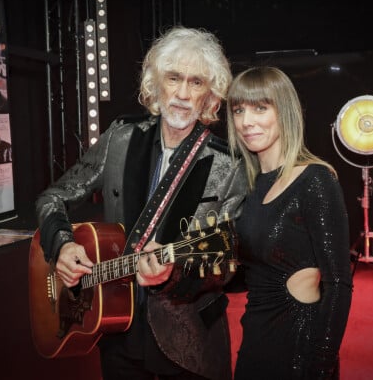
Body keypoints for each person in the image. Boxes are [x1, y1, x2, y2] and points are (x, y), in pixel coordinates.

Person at [35, 26, 246, 380]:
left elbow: (229, 263)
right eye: (173, 77)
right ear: (155, 82)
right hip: (117, 334)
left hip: (189, 342)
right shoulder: (120, 138)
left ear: (210, 96)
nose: (181, 93)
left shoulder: (228, 165)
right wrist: (61, 246)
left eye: (196, 83)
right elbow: (51, 198)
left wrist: (174, 272)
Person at [226, 66, 353, 379]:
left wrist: (320, 364)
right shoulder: (247, 187)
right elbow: (250, 273)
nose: (246, 121)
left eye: (260, 108)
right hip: (254, 340)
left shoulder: (315, 180)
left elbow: (338, 284)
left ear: (284, 111)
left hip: (300, 346)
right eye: (239, 110)